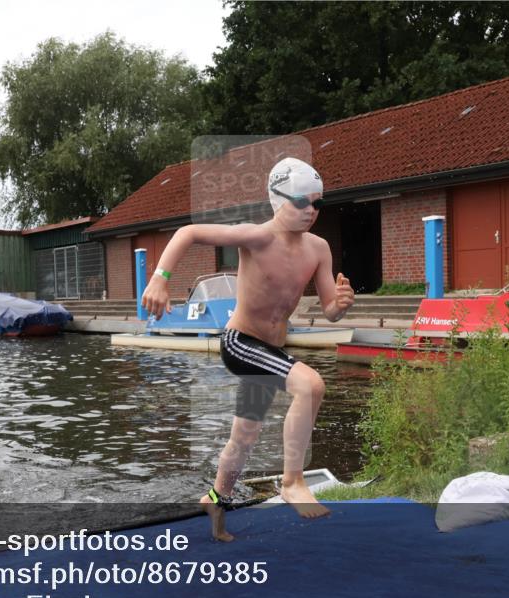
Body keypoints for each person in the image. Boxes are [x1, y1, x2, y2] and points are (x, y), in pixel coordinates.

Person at [141, 157, 355, 541]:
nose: (311, 212)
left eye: (318, 204)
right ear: (277, 199)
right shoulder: (255, 237)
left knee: (244, 437)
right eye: (302, 202)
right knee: (311, 385)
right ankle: (291, 482)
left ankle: (215, 501)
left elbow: (329, 311)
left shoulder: (318, 249)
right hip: (240, 343)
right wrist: (161, 278)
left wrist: (339, 304)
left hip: (270, 351)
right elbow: (187, 234)